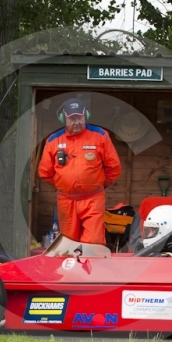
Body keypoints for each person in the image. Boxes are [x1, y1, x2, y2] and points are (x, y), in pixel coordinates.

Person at [38, 98, 122, 244]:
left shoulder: (100, 136)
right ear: (63, 119)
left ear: (86, 116)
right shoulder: (53, 141)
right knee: (69, 245)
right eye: (72, 119)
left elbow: (114, 167)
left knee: (93, 243)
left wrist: (98, 184)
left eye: (80, 118)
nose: (76, 122)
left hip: (93, 200)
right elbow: (45, 173)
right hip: (66, 201)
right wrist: (64, 185)